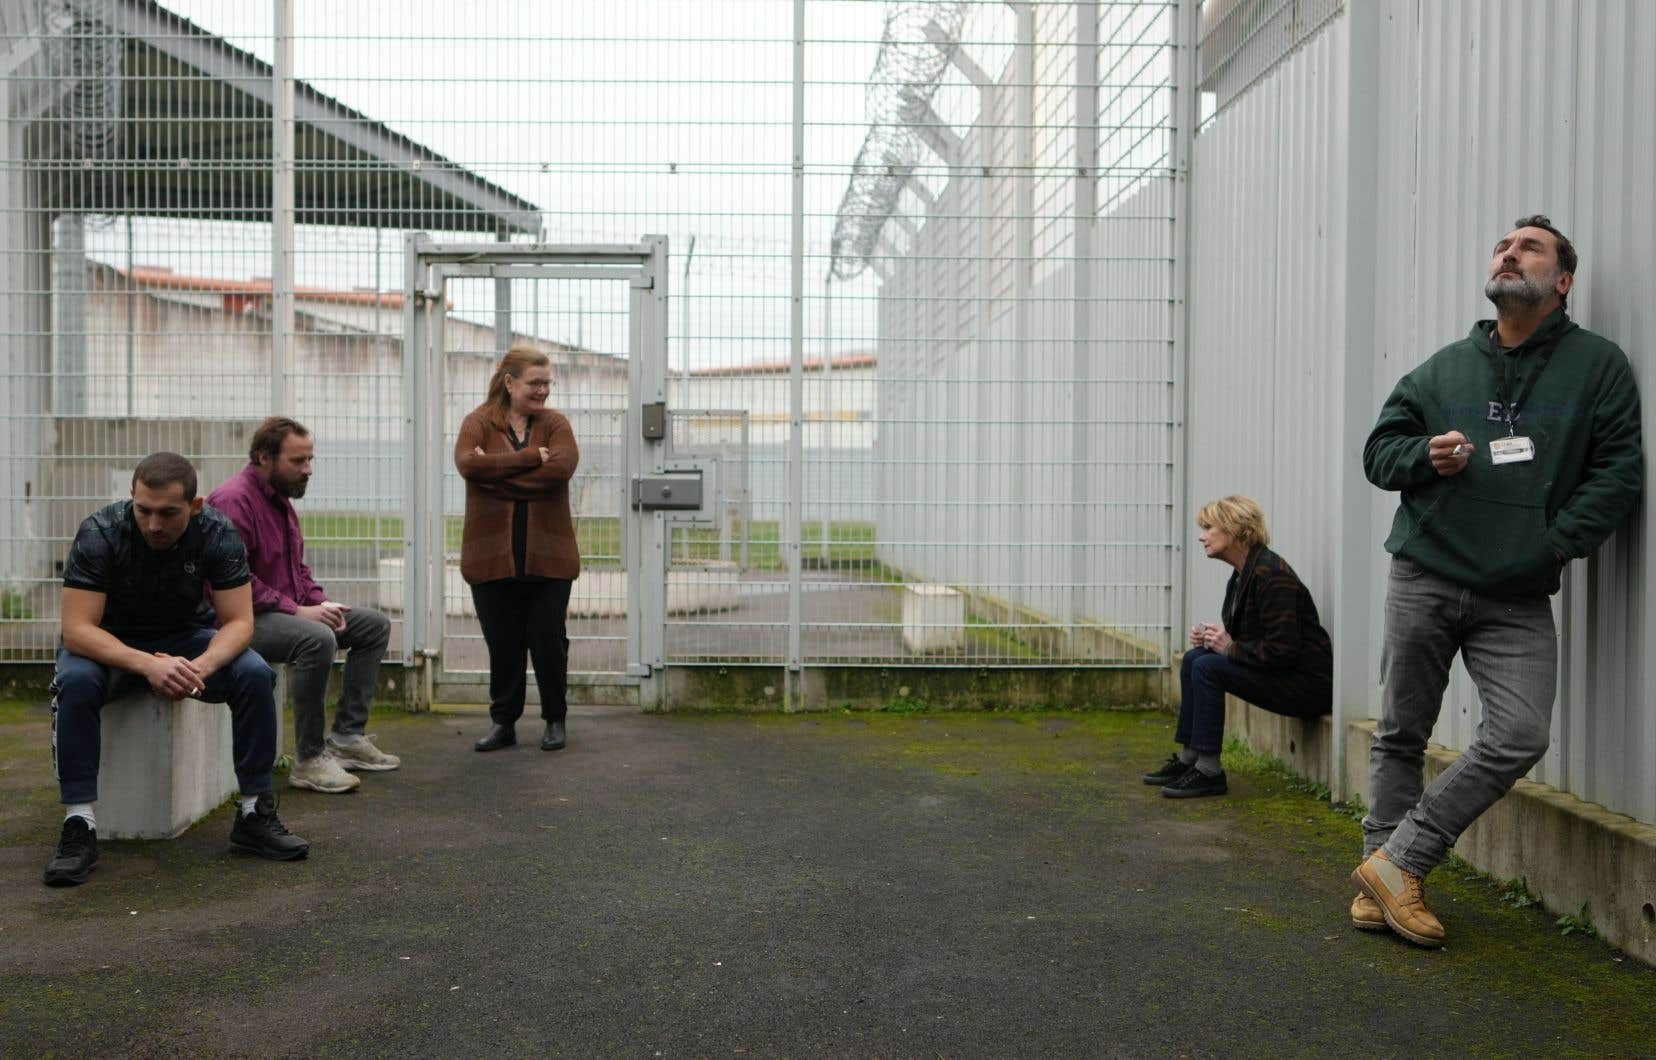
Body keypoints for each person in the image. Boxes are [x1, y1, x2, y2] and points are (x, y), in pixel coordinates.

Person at [1354, 215, 1643, 947]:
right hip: (1424, 570)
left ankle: (1399, 860)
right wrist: (1425, 454)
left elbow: (1619, 473)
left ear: (1562, 281)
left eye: (1530, 248)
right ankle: (1380, 880)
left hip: (1516, 590)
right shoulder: (1444, 368)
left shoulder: (1597, 366)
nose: (1510, 254)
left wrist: (1550, 546)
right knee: (1400, 734)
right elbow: (1380, 452)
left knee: (1519, 733)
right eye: (1502, 246)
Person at [44, 452, 309, 886]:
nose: (153, 525)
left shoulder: (217, 532)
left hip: (187, 638)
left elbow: (240, 622)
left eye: (168, 513)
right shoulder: (100, 533)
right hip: (111, 643)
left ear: (196, 505)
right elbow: (76, 630)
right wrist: (148, 664)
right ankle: (79, 823)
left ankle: (253, 813)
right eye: (143, 510)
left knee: (255, 673)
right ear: (131, 497)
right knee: (74, 679)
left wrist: (199, 667)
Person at [208, 417, 398, 793]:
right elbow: (234, 580)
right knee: (316, 639)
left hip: (278, 612)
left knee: (373, 625)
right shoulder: (233, 501)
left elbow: (296, 571)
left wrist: (320, 602)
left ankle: (346, 737)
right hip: (235, 620)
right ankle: (308, 759)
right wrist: (300, 612)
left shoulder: (279, 500)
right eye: (298, 461)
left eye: (310, 459)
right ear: (264, 457)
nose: (308, 470)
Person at [1144, 495, 1333, 799]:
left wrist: (1229, 648)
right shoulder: (1243, 573)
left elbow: (1283, 651)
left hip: (1307, 687)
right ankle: (1190, 759)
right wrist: (1213, 639)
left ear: (1234, 530)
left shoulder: (1272, 575)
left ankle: (1209, 772)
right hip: (1283, 676)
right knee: (1195, 657)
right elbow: (1249, 640)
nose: (1202, 535)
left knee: (1206, 666)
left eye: (1209, 527)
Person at [454, 343, 580, 753]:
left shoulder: (556, 424)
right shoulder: (477, 422)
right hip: (490, 557)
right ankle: (503, 723)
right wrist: (529, 459)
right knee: (503, 643)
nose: (543, 391)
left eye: (547, 383)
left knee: (548, 639)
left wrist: (496, 476)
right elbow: (467, 465)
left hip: (549, 559)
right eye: (535, 383)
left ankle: (554, 720)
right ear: (510, 382)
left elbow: (559, 471)